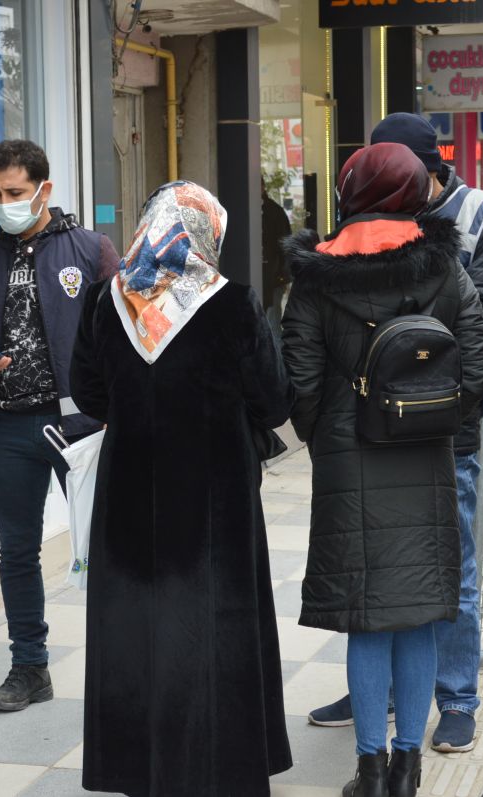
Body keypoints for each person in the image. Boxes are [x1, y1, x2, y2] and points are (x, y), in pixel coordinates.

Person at [305, 111, 483, 754]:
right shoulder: (335, 256)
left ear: (424, 171)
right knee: (372, 578)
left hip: (435, 440)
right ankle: (387, 704)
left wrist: (439, 418)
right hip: (368, 446)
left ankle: (454, 700)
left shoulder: (477, 219)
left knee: (446, 574)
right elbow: (306, 370)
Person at [71, 180, 294, 796]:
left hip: (130, 494)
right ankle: (219, 768)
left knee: (136, 629)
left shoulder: (104, 301)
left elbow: (88, 394)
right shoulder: (233, 303)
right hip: (213, 499)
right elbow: (274, 403)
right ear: (205, 233)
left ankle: (142, 769)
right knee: (213, 625)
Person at [0, 139, 119, 712]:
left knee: (108, 547)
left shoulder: (90, 250)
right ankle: (29, 667)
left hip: (81, 430)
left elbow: (122, 333)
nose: (4, 204)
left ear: (44, 189)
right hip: (8, 429)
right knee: (16, 551)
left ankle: (125, 664)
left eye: (15, 193)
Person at [261, 177, 292, 322]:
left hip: (273, 278)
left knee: (272, 323)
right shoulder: (273, 211)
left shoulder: (274, 212)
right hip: (270, 276)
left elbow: (285, 246)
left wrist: (282, 275)